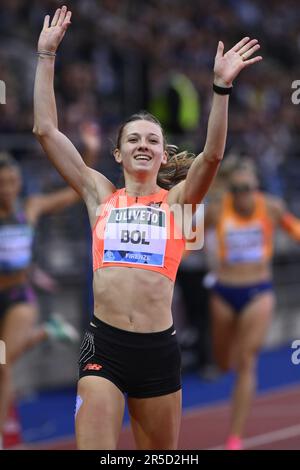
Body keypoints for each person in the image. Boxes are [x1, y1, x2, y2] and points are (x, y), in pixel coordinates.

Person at [33, 5, 262, 450]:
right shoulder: (98, 193)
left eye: (152, 140)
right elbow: (45, 129)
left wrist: (221, 89)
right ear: (117, 155)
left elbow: (213, 156)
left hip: (158, 351)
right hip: (104, 346)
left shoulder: (177, 201)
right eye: (133, 139)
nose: (143, 145)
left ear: (162, 154)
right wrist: (46, 58)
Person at [0, 122, 101, 449]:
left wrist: (89, 152)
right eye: (1, 183)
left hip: (19, 298)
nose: (8, 188)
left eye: (13, 181)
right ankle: (47, 331)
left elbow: (74, 191)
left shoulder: (29, 209)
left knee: (2, 362)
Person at [205, 158, 300, 450]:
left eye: (247, 188)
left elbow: (295, 229)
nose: (242, 194)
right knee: (223, 361)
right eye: (236, 189)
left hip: (258, 291)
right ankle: (224, 359)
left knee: (247, 361)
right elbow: (186, 238)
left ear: (256, 187)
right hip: (223, 291)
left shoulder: (270, 208)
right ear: (230, 190)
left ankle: (235, 437)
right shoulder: (218, 209)